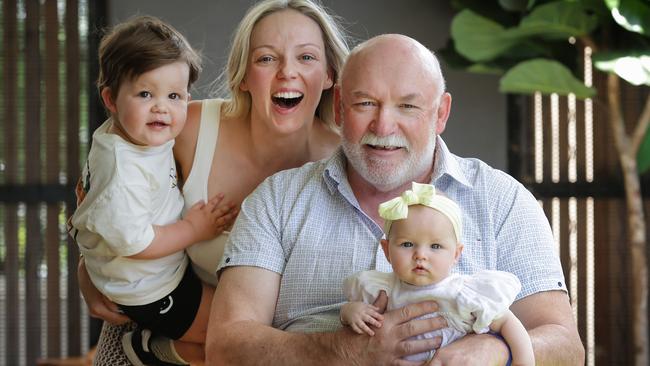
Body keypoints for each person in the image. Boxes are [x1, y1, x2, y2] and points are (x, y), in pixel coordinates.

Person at [207, 34, 585, 365]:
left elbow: (567, 348)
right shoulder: (277, 200)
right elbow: (225, 347)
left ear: (441, 113)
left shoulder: (502, 200)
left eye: (407, 106)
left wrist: (495, 350)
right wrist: (343, 354)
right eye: (365, 103)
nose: (384, 126)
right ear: (339, 107)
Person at [76, 1, 349, 365]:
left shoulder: (349, 163)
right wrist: (89, 270)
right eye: (266, 58)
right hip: (166, 320)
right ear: (243, 75)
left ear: (330, 74)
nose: (287, 72)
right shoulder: (183, 126)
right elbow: (103, 189)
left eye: (307, 58)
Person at [68, 16, 240, 366]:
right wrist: (195, 228)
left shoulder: (133, 131)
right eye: (146, 93)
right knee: (222, 334)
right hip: (149, 287)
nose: (162, 106)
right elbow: (136, 242)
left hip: (152, 275)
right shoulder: (122, 168)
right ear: (111, 100)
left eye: (174, 95)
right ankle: (147, 349)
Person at [341, 182, 534, 365]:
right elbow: (352, 316)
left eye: (435, 246)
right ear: (387, 250)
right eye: (407, 244)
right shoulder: (381, 290)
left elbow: (507, 322)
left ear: (456, 254)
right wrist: (350, 312)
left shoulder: (463, 294)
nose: (420, 255)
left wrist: (523, 361)